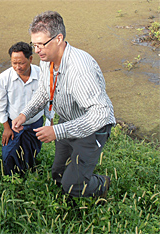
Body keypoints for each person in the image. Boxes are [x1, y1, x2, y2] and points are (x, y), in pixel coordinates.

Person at [12, 11, 116, 198]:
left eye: (41, 44)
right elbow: (45, 91)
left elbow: (101, 113)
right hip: (69, 120)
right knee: (58, 174)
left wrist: (57, 132)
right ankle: (69, 197)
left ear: (59, 38)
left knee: (73, 184)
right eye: (33, 45)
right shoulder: (47, 59)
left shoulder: (79, 70)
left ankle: (102, 184)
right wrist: (24, 114)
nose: (37, 51)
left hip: (93, 127)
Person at [0, 42, 54, 176]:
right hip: (13, 124)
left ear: (30, 59)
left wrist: (49, 121)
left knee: (31, 153)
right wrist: (6, 127)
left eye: (21, 63)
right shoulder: (4, 78)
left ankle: (28, 176)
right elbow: (0, 103)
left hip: (35, 124)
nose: (17, 67)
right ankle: (12, 180)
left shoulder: (43, 75)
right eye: (14, 63)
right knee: (8, 155)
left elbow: (49, 100)